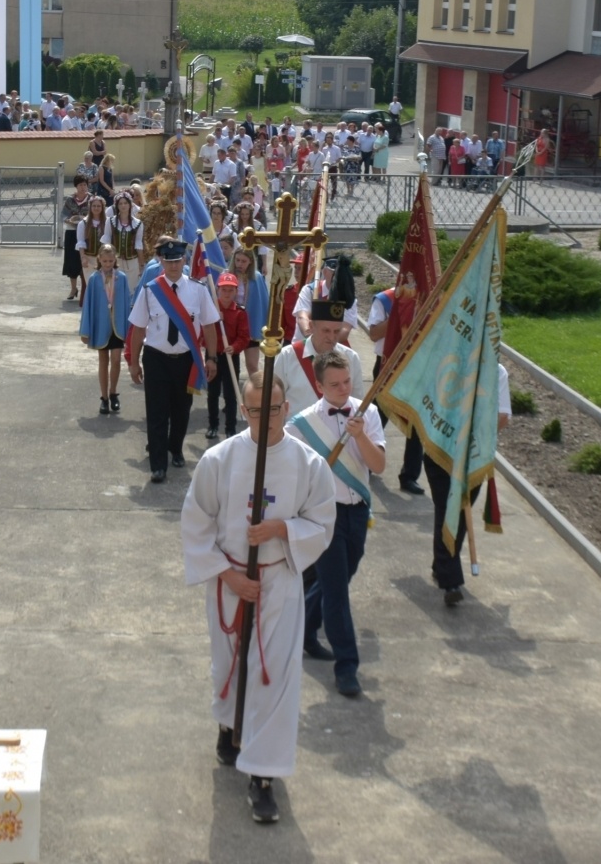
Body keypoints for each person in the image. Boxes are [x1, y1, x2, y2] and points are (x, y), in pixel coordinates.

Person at [182, 378, 337, 824]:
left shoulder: (308, 464)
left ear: (286, 408)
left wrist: (281, 529)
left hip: (279, 580)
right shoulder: (220, 460)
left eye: (272, 409)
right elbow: (196, 523)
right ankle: (229, 723)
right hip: (230, 578)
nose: (264, 419)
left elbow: (321, 524)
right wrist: (229, 575)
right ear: (243, 410)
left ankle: (263, 776)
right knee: (229, 662)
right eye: (254, 410)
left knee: (273, 676)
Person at [286, 350, 385, 697]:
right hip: (324, 516)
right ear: (319, 386)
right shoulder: (300, 426)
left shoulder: (368, 412)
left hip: (358, 512)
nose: (344, 389)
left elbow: (379, 466)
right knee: (338, 593)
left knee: (339, 578)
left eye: (347, 382)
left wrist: (360, 436)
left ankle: (304, 629)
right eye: (335, 385)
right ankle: (347, 666)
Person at [130, 239, 221, 482]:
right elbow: (138, 328)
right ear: (161, 261)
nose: (173, 266)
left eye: (177, 261)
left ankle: (176, 447)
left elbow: (209, 326)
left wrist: (211, 358)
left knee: (181, 409)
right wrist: (133, 362)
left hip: (186, 360)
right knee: (156, 411)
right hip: (156, 358)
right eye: (168, 261)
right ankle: (158, 464)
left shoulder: (198, 290)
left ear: (184, 261)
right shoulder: (150, 290)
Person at [425, 363, 512, 606]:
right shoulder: (444, 359)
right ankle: (450, 581)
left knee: (461, 514)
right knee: (448, 509)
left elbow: (503, 416)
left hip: (473, 457)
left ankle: (441, 564)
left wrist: (474, 436)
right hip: (440, 451)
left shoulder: (497, 372)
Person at [365, 270, 426, 494]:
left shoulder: (427, 300)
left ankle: (409, 476)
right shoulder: (385, 299)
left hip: (416, 366)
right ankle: (367, 462)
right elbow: (374, 333)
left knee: (415, 421)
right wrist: (400, 314)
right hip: (387, 364)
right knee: (377, 415)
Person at [277, 280, 362, 409]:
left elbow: (358, 403)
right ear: (311, 326)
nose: (332, 337)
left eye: (336, 331)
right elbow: (274, 399)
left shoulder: (351, 358)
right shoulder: (287, 356)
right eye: (326, 331)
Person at [80, 244, 131, 416]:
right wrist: (85, 330)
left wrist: (129, 328)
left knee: (116, 360)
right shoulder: (94, 279)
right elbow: (88, 305)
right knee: (103, 360)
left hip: (117, 325)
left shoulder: (121, 278)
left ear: (115, 259)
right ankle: (104, 398)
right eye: (104, 261)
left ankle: (113, 392)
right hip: (101, 325)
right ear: (99, 260)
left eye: (110, 261)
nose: (108, 264)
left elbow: (126, 303)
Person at [207, 273, 252, 441]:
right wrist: (215, 319)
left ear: (236, 291)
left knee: (230, 394)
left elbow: (244, 337)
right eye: (224, 290)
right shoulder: (210, 310)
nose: (226, 294)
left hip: (230, 356)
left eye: (230, 290)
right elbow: (203, 334)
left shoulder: (240, 312)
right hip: (213, 355)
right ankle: (213, 425)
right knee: (212, 393)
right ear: (218, 290)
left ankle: (230, 428)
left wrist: (234, 347)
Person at [229, 246, 268, 378]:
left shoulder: (257, 278)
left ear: (250, 261)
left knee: (252, 365)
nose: (239, 264)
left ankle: (256, 389)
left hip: (250, 325)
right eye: (237, 260)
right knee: (231, 365)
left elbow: (262, 303)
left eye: (243, 261)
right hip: (232, 325)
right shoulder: (228, 276)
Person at [102, 192, 145, 283]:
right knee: (115, 287)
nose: (123, 206)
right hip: (114, 261)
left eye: (125, 203)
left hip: (132, 262)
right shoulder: (110, 221)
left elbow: (138, 244)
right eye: (120, 203)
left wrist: (141, 264)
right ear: (117, 206)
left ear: (130, 205)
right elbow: (106, 242)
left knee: (131, 287)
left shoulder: (138, 223)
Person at [75, 194, 109, 302]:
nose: (96, 208)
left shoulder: (108, 222)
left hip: (104, 260)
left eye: (98, 206)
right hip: (89, 259)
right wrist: (83, 257)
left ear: (102, 207)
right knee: (92, 285)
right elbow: (81, 242)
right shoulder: (83, 223)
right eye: (94, 206)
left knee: (104, 286)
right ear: (90, 207)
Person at [61, 180, 90, 301]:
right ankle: (73, 288)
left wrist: (85, 218)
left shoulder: (91, 199)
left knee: (86, 261)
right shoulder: (70, 200)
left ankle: (86, 290)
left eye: (84, 185)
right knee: (72, 261)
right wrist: (68, 220)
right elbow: (63, 214)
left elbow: (97, 213)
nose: (82, 187)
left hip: (87, 233)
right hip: (72, 232)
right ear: (76, 186)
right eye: (80, 185)